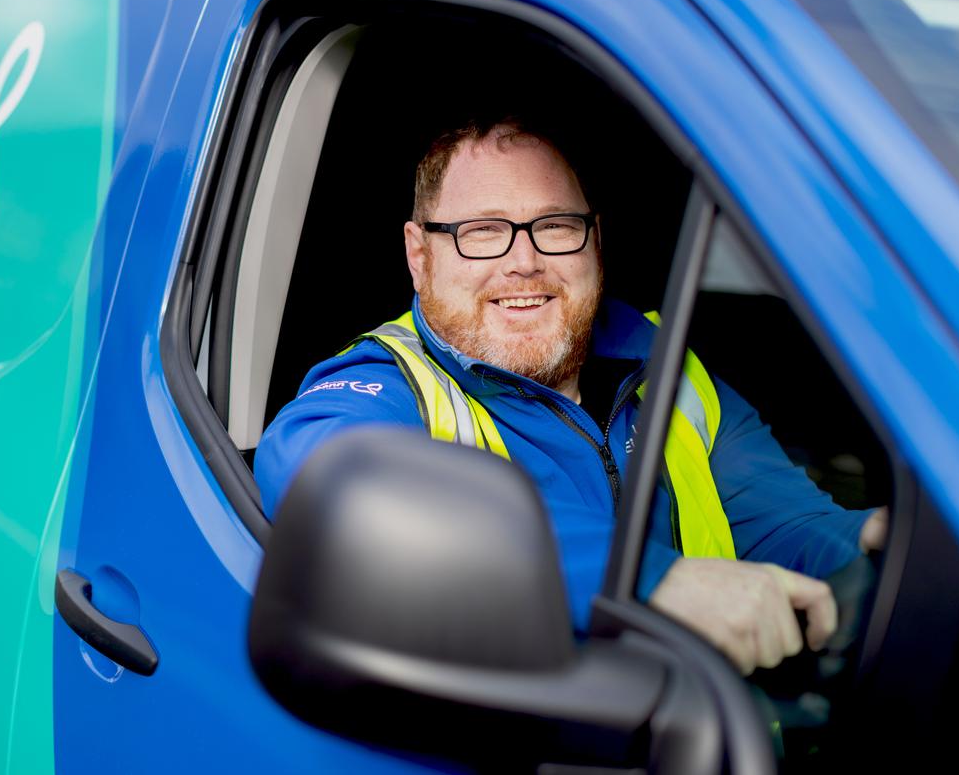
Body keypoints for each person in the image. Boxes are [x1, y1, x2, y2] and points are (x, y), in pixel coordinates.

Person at [254, 118, 887, 675]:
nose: (524, 261)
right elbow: (334, 486)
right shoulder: (385, 386)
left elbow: (786, 527)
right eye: (482, 232)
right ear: (420, 256)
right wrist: (646, 584)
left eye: (554, 227)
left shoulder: (666, 366)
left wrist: (877, 550)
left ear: (594, 239)